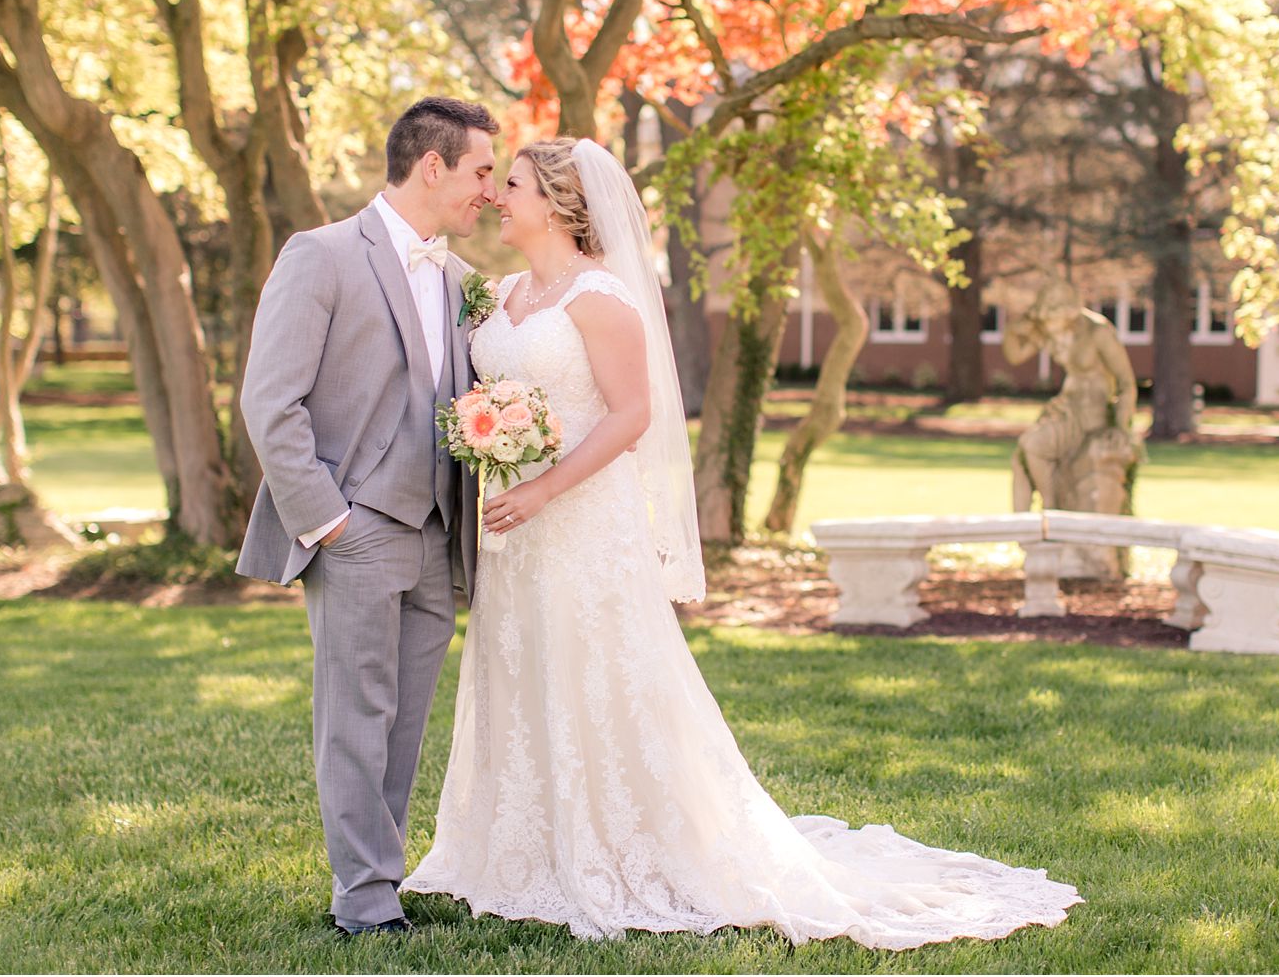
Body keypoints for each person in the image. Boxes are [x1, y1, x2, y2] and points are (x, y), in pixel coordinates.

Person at [403, 138, 1083, 949]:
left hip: (581, 520)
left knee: (598, 671)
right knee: (523, 666)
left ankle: (621, 849)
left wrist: (545, 484)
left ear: (554, 204)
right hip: (517, 530)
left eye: (509, 185)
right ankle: (514, 851)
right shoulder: (501, 293)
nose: (495, 198)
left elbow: (631, 415)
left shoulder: (601, 298)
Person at [236, 97, 496, 937]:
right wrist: (328, 521)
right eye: (481, 172)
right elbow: (271, 402)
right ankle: (365, 900)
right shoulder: (321, 255)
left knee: (405, 718)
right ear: (433, 166)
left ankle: (379, 872)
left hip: (437, 533)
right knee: (354, 717)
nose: (488, 191)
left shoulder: (459, 279)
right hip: (356, 526)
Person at [1002, 279, 1138, 512]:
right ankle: (1048, 508)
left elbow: (1126, 382)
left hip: (1094, 412)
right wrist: (1012, 330)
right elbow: (1015, 356)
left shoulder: (1098, 331)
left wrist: (1120, 426)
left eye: (1052, 319)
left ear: (1069, 313)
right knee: (1029, 447)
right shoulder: (1052, 328)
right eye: (1044, 320)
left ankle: (1056, 509)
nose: (1048, 327)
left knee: (1048, 453)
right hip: (1067, 407)